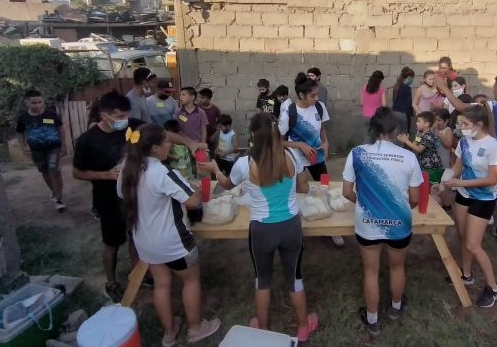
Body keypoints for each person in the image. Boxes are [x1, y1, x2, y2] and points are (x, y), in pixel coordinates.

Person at [198, 112, 319, 342]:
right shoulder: (292, 155)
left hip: (262, 230)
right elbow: (303, 187)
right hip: (291, 226)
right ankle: (303, 326)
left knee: (262, 279)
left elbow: (226, 184)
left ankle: (261, 327)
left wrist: (215, 169)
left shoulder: (244, 163)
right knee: (295, 277)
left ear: (253, 135)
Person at [73, 91, 204, 302]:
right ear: (104, 115)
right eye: (118, 117)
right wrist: (104, 175)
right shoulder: (87, 140)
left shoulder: (133, 126)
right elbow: (77, 172)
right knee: (112, 242)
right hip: (110, 198)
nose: (123, 120)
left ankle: (142, 272)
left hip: (140, 196)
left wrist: (188, 142)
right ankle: (111, 281)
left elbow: (161, 135)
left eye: (126, 115)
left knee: (137, 233)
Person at [117, 124, 221, 346]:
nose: (170, 145)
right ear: (155, 148)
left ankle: (169, 332)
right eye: (167, 142)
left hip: (145, 242)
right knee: (191, 280)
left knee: (162, 284)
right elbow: (193, 202)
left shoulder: (128, 168)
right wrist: (190, 189)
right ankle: (195, 328)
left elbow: (122, 193)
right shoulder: (161, 172)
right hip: (172, 242)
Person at [342, 107, 422, 335]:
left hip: (367, 222)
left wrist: (367, 203)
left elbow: (347, 192)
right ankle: (396, 308)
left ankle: (373, 319)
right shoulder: (409, 156)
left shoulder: (357, 153)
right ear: (395, 129)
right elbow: (415, 199)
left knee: (371, 271)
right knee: (397, 266)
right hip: (400, 222)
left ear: (372, 128)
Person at [439, 73, 497, 246]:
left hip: (488, 158)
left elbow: (460, 106)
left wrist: (444, 88)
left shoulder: (490, 105)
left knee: (481, 188)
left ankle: (479, 221)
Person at [443, 104, 497, 307]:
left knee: (473, 245)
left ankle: (494, 288)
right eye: (461, 123)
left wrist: (460, 182)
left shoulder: (494, 147)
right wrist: (444, 180)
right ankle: (466, 275)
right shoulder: (464, 142)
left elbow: (492, 180)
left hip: (484, 198)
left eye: (465, 124)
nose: (461, 127)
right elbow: (457, 167)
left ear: (479, 124)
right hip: (464, 195)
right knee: (464, 238)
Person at [279, 72, 341, 246]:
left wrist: (326, 143)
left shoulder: (320, 107)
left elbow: (322, 129)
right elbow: (278, 141)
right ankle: (300, 225)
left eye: (317, 94)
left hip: (317, 156)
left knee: (325, 185)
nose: (316, 98)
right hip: (296, 158)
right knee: (299, 190)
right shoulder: (288, 113)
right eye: (313, 95)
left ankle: (331, 228)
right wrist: (299, 145)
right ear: (301, 95)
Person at [16, 90, 66, 212]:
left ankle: (59, 199)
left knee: (54, 171)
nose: (37, 105)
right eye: (34, 103)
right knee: (45, 172)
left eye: (40, 102)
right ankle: (54, 192)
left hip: (54, 148)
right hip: (37, 151)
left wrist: (63, 145)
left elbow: (60, 128)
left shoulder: (51, 114)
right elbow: (19, 132)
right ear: (27, 103)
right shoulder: (24, 118)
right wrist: (23, 147)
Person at [397, 111, 443, 184]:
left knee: (432, 186)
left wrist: (406, 141)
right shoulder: (419, 133)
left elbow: (419, 149)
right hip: (423, 164)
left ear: (427, 124)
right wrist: (407, 141)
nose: (416, 123)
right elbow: (415, 145)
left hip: (432, 167)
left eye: (419, 121)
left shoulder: (429, 135)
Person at [391, 67, 416, 136]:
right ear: (408, 78)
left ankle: (395, 146)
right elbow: (409, 103)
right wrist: (412, 113)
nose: (412, 80)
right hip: (403, 114)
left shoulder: (396, 86)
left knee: (396, 133)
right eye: (412, 78)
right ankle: (403, 147)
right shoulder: (407, 88)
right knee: (404, 134)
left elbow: (394, 100)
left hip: (394, 112)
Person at [197, 88, 221, 155]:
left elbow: (221, 124)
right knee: (200, 154)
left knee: (212, 155)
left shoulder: (215, 109)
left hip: (212, 137)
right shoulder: (196, 108)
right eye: (199, 97)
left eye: (203, 98)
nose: (200, 99)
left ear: (209, 99)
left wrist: (214, 135)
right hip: (199, 137)